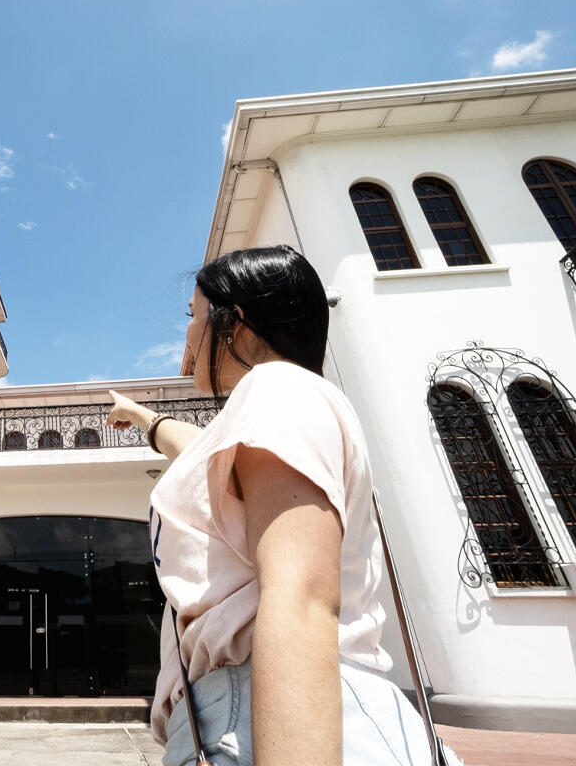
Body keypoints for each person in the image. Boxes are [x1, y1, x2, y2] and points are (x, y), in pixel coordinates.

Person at [107, 244, 441, 766]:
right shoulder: (269, 411)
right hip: (249, 713)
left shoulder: (276, 388)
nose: (188, 337)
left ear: (234, 322)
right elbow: (196, 448)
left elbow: (301, 597)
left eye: (194, 318)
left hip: (271, 713)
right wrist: (144, 419)